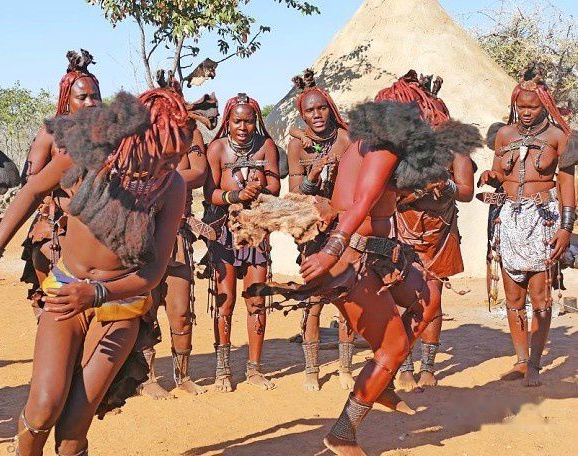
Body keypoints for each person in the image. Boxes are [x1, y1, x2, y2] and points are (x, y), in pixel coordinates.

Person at [241, 70, 481, 455]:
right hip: (351, 255)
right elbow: (362, 204)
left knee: (427, 299)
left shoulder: (375, 144)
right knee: (394, 347)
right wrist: (331, 251)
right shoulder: (382, 148)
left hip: (375, 251)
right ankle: (343, 432)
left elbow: (385, 197)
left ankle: (381, 381)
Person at [0, 87, 200, 455]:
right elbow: (32, 191)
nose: (170, 167)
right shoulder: (88, 157)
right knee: (43, 409)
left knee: (74, 425)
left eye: (176, 158)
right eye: (164, 156)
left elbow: (153, 272)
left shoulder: (171, 187)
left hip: (120, 305)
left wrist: (97, 293)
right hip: (66, 292)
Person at [478, 64, 574, 387]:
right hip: (508, 219)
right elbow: (498, 174)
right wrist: (491, 177)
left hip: (542, 220)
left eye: (533, 107)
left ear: (544, 105)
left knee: (540, 297)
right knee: (513, 297)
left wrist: (566, 228)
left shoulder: (558, 137)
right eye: (521, 106)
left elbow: (567, 186)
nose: (527, 112)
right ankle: (520, 361)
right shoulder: (504, 135)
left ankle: (534, 363)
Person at [393, 73, 475, 391]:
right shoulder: (401, 148)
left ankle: (428, 366)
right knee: (402, 298)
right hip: (403, 228)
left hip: (439, 232)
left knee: (433, 299)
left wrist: (446, 184)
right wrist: (416, 192)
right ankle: (404, 365)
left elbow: (466, 191)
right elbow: (389, 189)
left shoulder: (456, 149)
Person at [138, 71, 217, 399]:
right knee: (145, 308)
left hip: (179, 235)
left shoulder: (191, 132)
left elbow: (198, 172)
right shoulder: (141, 134)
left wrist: (161, 177)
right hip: (144, 233)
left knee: (181, 310)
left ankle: (182, 376)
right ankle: (146, 378)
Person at [202, 93, 280, 392]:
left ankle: (254, 369)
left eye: (249, 121)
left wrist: (261, 190)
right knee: (225, 301)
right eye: (237, 121)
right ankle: (222, 370)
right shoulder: (217, 148)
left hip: (256, 232)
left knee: (256, 300)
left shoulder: (266, 146)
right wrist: (235, 195)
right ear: (228, 121)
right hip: (225, 232)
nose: (243, 127)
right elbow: (209, 193)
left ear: (255, 121)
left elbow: (275, 184)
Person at [286, 69, 356, 391]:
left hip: (343, 226)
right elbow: (295, 193)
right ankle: (311, 369)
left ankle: (345, 368)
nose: (317, 115)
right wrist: (313, 176)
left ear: (330, 109)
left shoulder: (346, 139)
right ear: (303, 115)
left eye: (322, 108)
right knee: (313, 299)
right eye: (310, 110)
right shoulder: (297, 145)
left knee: (346, 297)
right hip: (313, 229)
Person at [20, 49, 101, 319]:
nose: (90, 103)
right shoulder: (50, 133)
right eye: (82, 97)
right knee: (58, 307)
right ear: (68, 99)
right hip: (59, 226)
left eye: (95, 96)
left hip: (104, 225)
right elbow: (31, 181)